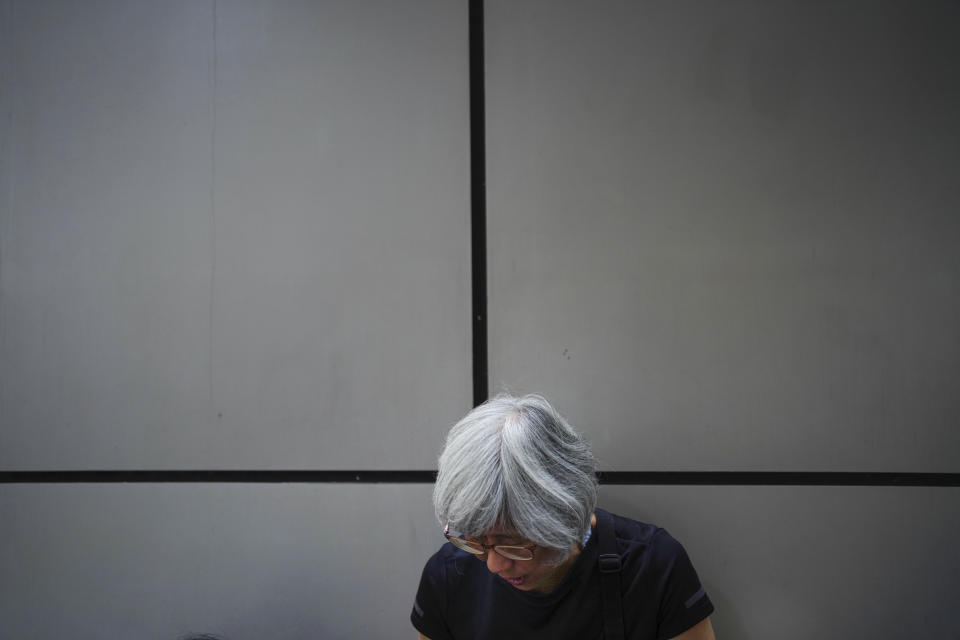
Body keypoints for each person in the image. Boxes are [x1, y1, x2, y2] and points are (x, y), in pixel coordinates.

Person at [411, 394, 716, 640]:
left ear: (563, 513)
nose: (494, 564)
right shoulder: (448, 577)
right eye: (476, 540)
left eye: (512, 543)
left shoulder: (654, 568)